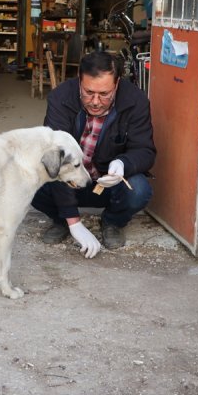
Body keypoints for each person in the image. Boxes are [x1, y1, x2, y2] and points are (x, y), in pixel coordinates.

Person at [31, 50, 156, 258]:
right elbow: (55, 156)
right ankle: (62, 219)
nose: (96, 101)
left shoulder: (136, 101)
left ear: (116, 85)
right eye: (88, 92)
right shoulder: (61, 98)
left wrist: (124, 163)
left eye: (104, 94)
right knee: (30, 178)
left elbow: (145, 150)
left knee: (140, 190)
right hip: (67, 182)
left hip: (107, 185)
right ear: (79, 81)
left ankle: (112, 222)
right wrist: (74, 222)